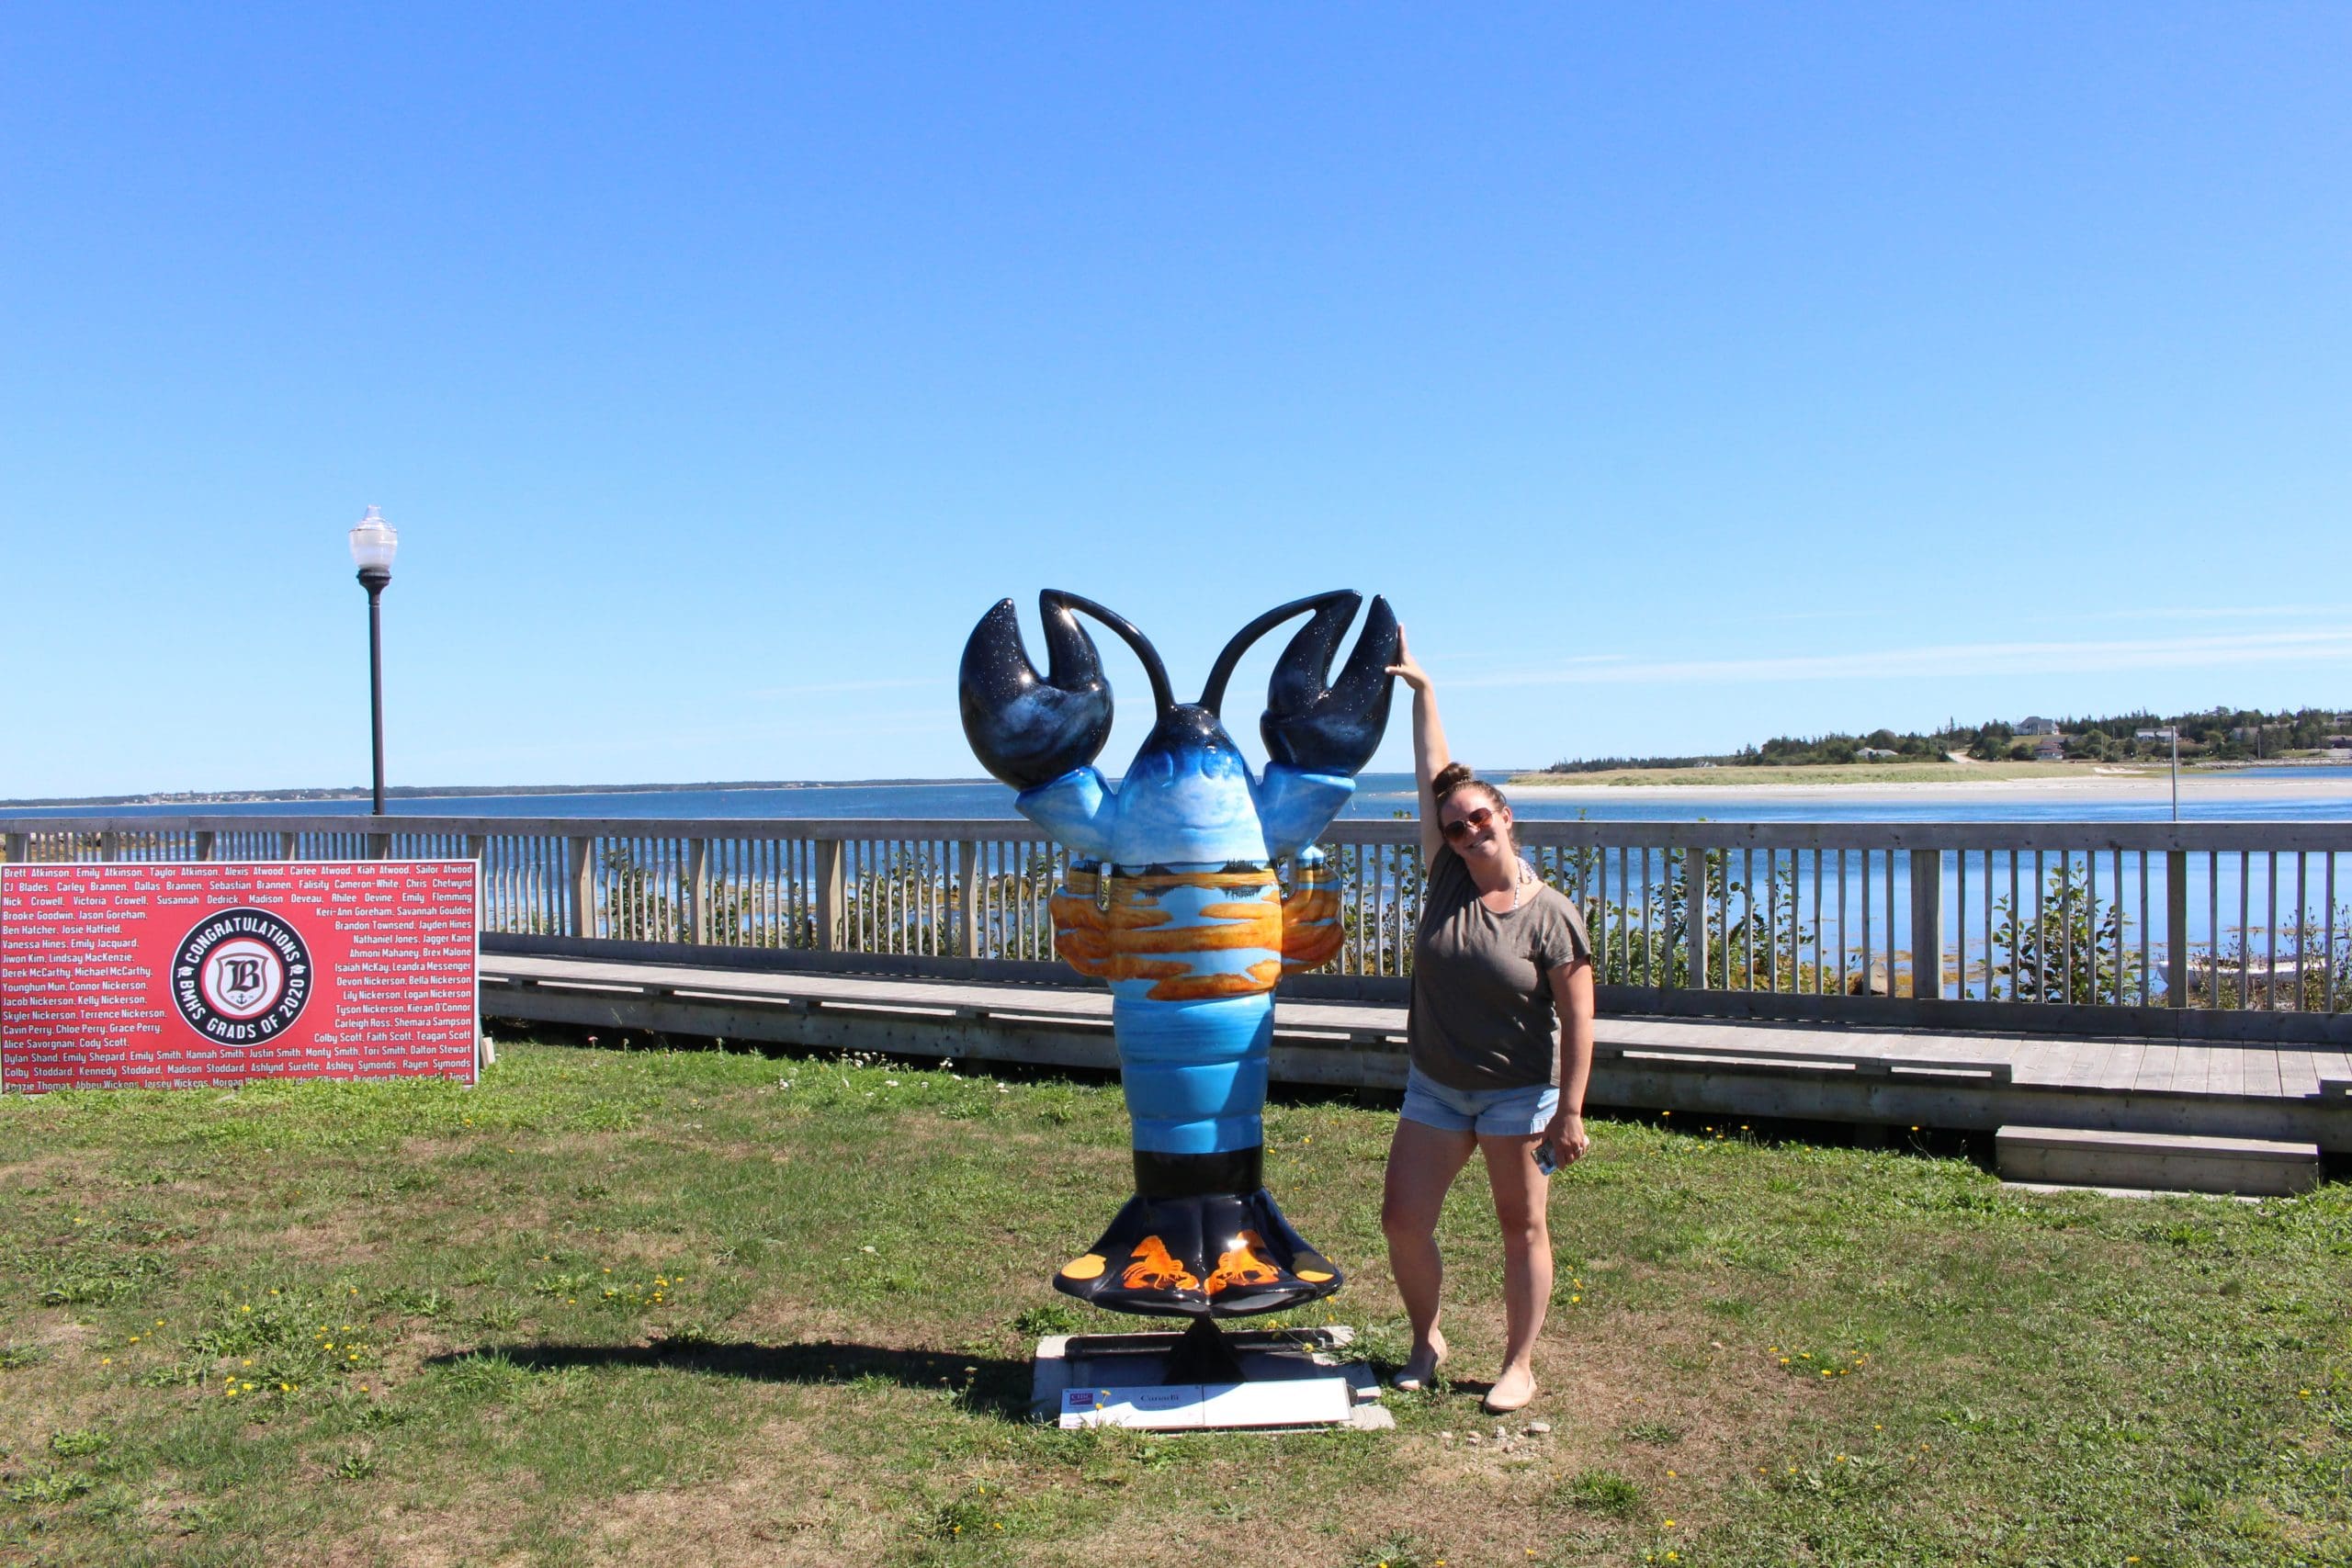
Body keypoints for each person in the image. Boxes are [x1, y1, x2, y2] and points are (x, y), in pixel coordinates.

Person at [1380, 628, 1595, 1414]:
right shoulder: (1445, 874)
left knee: (1522, 1227)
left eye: (1480, 818)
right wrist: (1424, 691)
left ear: (1506, 816)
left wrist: (1568, 1110)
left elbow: (1578, 1020)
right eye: (1456, 824)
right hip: (1436, 1088)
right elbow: (1437, 770)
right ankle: (1426, 1338)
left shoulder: (1552, 915)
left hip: (1516, 1097)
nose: (1469, 831)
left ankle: (1519, 1364)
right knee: (1402, 1220)